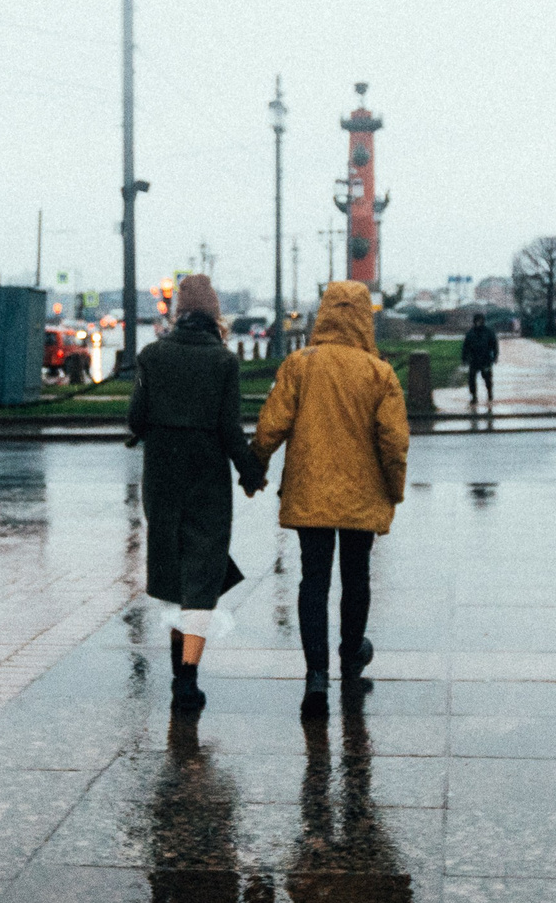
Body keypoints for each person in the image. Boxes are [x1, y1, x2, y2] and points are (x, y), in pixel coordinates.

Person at [253, 280, 410, 704]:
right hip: (363, 494)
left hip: (310, 492)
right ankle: (351, 653)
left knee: (314, 581)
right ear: (364, 318)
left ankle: (316, 677)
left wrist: (255, 469)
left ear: (323, 313)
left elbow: (271, 425)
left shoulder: (300, 364)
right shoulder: (379, 372)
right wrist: (393, 491)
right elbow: (393, 442)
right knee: (356, 576)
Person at [125, 275, 266, 714]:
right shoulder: (223, 362)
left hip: (163, 480)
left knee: (171, 573)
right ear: (215, 314)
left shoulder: (152, 356)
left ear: (178, 311)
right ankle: (187, 679)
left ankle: (177, 674)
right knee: (202, 576)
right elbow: (229, 430)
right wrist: (250, 474)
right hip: (207, 480)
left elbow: (135, 420)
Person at [460, 311, 499, 408]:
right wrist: (464, 358)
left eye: (480, 320)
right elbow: (466, 347)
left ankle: (489, 393)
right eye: (477, 321)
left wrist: (495, 357)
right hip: (474, 360)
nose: (478, 322)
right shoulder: (470, 333)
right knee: (471, 379)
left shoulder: (488, 332)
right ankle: (474, 396)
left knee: (487, 379)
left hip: (485, 359)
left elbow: (494, 345)